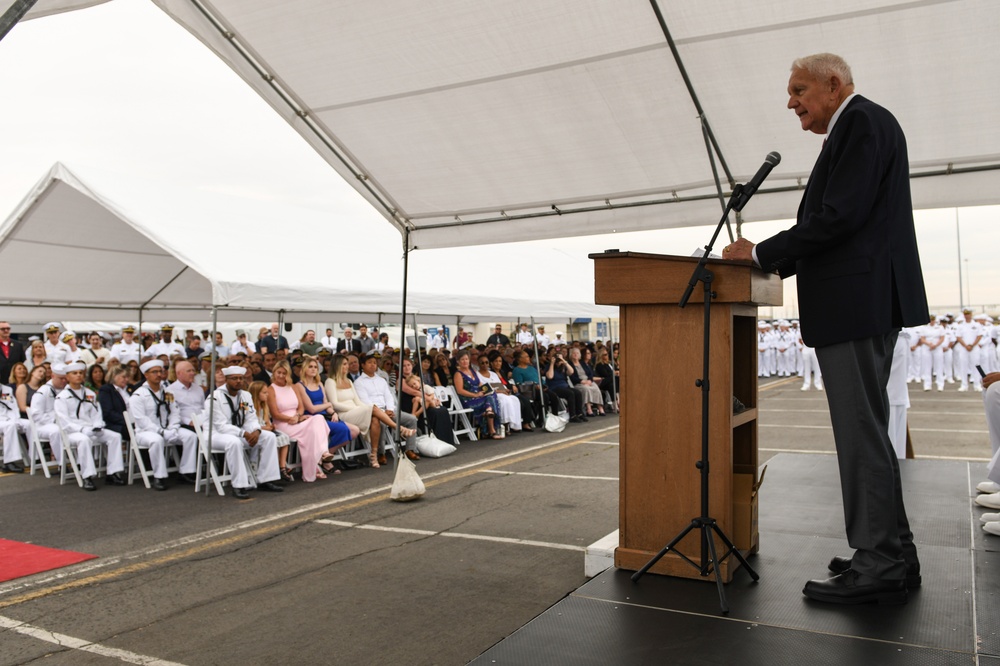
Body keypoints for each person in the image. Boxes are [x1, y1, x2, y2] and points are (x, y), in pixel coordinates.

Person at [724, 53, 929, 605]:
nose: (791, 103)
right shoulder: (861, 126)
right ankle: (892, 553)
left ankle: (879, 561)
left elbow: (838, 217)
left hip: (857, 302)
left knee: (861, 435)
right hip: (861, 302)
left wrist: (760, 253)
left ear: (833, 85)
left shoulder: (860, 122)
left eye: (800, 91)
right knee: (870, 434)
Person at [205, 366, 284, 499]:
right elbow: (221, 426)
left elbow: (250, 418)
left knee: (269, 437)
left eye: (240, 378)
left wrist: (257, 431)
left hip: (240, 433)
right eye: (234, 378)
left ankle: (266, 479)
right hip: (216, 435)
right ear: (226, 380)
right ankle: (239, 485)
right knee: (234, 442)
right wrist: (244, 434)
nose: (238, 381)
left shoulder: (245, 396)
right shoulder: (214, 398)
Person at [54, 361, 126, 491]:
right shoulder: (62, 397)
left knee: (115, 436)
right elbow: (64, 421)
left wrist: (98, 425)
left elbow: (97, 413)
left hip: (91, 428)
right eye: (74, 373)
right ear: (67, 377)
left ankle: (113, 473)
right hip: (73, 432)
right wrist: (82, 429)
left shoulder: (89, 393)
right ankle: (87, 476)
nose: (78, 375)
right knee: (84, 439)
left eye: (81, 373)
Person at [129, 360, 197, 491]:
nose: (159, 374)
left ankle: (186, 472)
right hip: (145, 432)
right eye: (154, 372)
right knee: (156, 440)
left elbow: (175, 411)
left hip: (167, 428)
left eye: (160, 371)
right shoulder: (138, 395)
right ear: (146, 375)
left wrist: (173, 427)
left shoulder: (167, 393)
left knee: (190, 436)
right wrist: (161, 431)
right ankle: (159, 476)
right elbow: (141, 420)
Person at [353, 352, 420, 462]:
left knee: (411, 419)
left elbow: (388, 396)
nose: (373, 365)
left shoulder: (381, 380)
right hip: (373, 412)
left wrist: (389, 408)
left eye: (374, 363)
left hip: (388, 410)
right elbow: (365, 401)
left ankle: (410, 449)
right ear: (363, 365)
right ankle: (381, 453)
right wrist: (382, 412)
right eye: (369, 363)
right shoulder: (359, 382)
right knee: (381, 424)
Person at [296, 356, 358, 472]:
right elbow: (312, 408)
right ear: (304, 369)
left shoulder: (319, 383)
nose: (314, 369)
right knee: (342, 429)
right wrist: (328, 405)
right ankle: (327, 461)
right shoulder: (300, 385)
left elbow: (326, 403)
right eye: (310, 367)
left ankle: (326, 455)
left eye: (315, 367)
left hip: (326, 416)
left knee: (354, 431)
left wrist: (333, 412)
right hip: (313, 418)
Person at [248, 379, 295, 483]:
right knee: (272, 439)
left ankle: (282, 466)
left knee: (284, 437)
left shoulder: (264, 406)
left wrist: (270, 426)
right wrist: (265, 428)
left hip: (266, 430)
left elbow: (266, 421)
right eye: (264, 393)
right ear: (256, 393)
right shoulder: (250, 407)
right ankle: (277, 468)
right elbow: (251, 425)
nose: (267, 395)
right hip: (257, 431)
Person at [452, 349, 501, 439]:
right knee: (489, 399)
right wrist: (475, 395)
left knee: (491, 395)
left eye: (466, 359)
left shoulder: (472, 371)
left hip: (478, 396)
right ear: (458, 361)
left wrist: (489, 390)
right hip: (468, 399)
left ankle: (488, 414)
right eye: (462, 359)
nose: (465, 361)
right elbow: (460, 391)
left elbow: (479, 384)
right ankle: (491, 430)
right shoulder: (458, 374)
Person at [476, 354, 521, 434]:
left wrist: (505, 390)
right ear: (478, 364)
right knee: (504, 399)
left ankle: (514, 425)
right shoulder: (477, 375)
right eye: (482, 363)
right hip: (490, 394)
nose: (485, 364)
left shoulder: (493, 374)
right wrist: (500, 391)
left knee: (515, 399)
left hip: (501, 391)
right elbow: (485, 388)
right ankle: (504, 424)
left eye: (486, 362)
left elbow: (500, 384)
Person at [98, 366, 131, 444]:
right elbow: (108, 412)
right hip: (114, 424)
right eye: (123, 377)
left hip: (130, 423)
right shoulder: (106, 390)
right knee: (133, 432)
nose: (126, 380)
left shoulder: (128, 389)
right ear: (114, 376)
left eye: (127, 377)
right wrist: (127, 421)